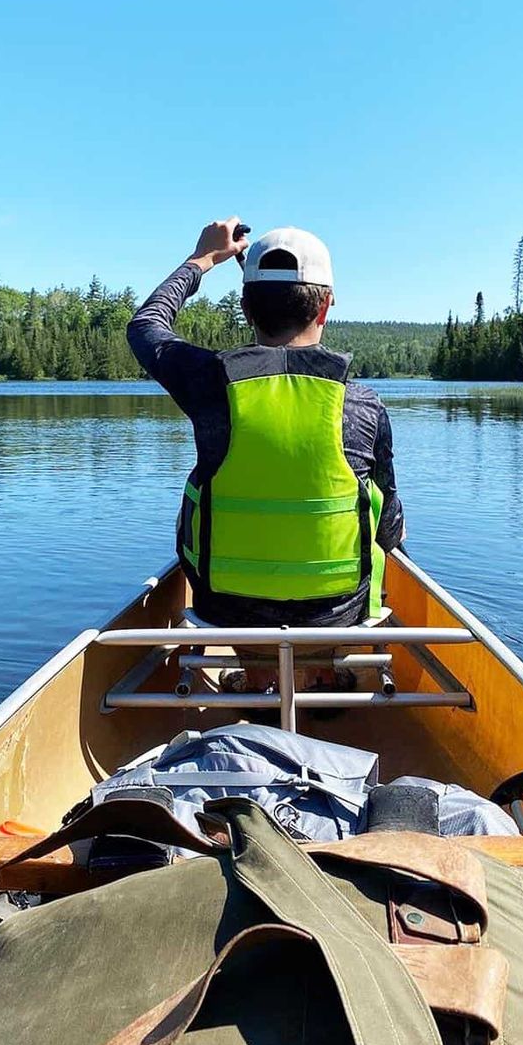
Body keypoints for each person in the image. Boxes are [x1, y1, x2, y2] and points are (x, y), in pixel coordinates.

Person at [126, 218, 405, 693]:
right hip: (337, 611)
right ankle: (318, 670)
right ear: (325, 308)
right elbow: (390, 529)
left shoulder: (210, 384)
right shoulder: (363, 405)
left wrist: (203, 260)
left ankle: (256, 675)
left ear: (244, 308)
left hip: (224, 609)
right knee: (383, 525)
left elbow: (146, 325)